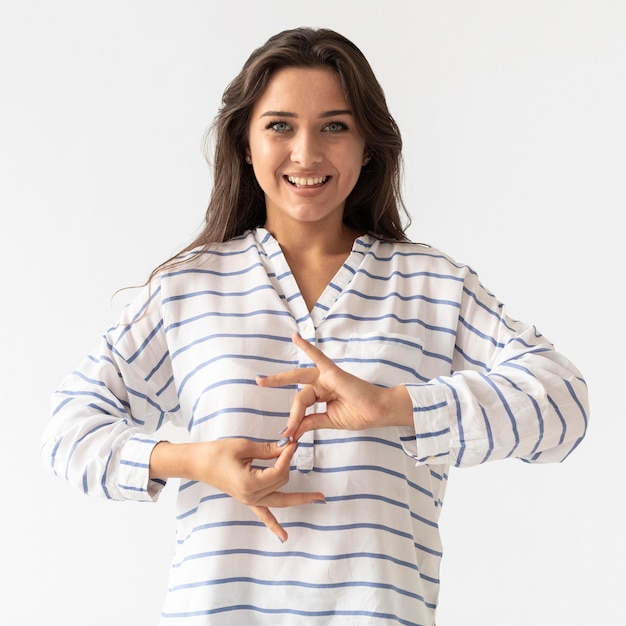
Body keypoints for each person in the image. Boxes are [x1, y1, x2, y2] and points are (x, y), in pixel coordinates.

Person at [41, 27, 589, 626]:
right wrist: (196, 462)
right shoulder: (187, 289)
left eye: (335, 126)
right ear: (246, 144)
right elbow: (70, 430)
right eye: (280, 126)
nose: (306, 153)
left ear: (368, 147)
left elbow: (564, 406)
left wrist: (393, 405)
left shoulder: (433, 285)